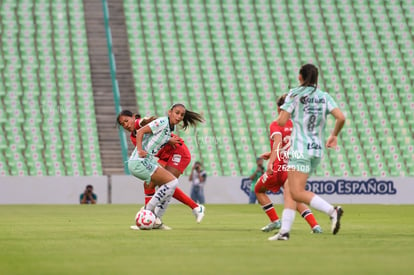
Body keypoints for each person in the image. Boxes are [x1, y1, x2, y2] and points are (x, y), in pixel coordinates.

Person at [269, 64, 345, 241]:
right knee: (289, 189)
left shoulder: (295, 94)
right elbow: (341, 117)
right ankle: (284, 232)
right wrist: (333, 135)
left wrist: (283, 112)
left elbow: (281, 121)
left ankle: (332, 211)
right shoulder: (324, 97)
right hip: (316, 150)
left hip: (300, 149)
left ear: (300, 77)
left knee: (296, 192)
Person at [119, 104, 204, 229]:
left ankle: (154, 215)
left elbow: (141, 123)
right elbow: (153, 135)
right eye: (122, 124)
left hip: (177, 152)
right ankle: (153, 218)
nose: (126, 124)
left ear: (133, 117)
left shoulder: (140, 125)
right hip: (163, 156)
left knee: (167, 184)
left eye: (127, 121)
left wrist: (145, 121)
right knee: (154, 184)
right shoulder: (134, 136)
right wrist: (168, 139)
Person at [256, 94, 322, 233]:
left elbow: (279, 143)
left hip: (278, 168)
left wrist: (271, 162)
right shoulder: (296, 125)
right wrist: (271, 153)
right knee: (294, 196)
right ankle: (315, 226)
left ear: (279, 108)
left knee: (258, 189)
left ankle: (275, 221)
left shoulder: (276, 124)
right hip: (293, 167)